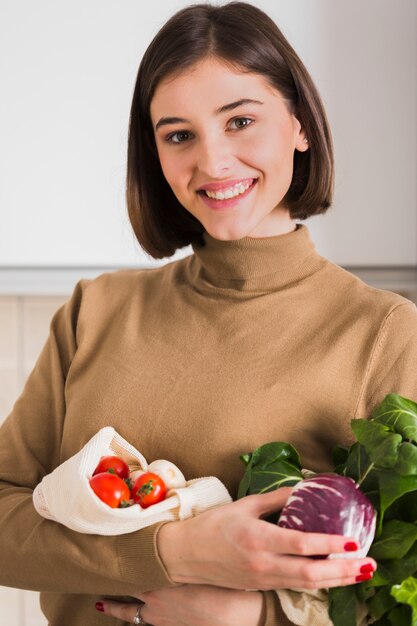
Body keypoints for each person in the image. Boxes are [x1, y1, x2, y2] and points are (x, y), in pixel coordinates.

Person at [0, 2, 416, 625]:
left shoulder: (385, 335)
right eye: (179, 134)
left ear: (300, 125)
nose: (213, 162)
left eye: (240, 120)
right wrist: (172, 551)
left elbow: (402, 585)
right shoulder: (96, 311)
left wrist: (254, 619)